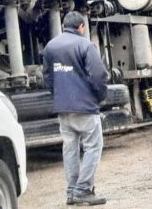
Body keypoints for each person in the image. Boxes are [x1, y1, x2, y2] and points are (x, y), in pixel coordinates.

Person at [43, 11, 109, 205]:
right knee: (93, 147)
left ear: (64, 26)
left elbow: (47, 77)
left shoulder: (50, 46)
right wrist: (100, 98)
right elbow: (98, 76)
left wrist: (58, 96)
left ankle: (72, 192)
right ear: (81, 27)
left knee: (70, 149)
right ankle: (83, 189)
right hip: (85, 108)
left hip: (63, 108)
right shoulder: (85, 45)